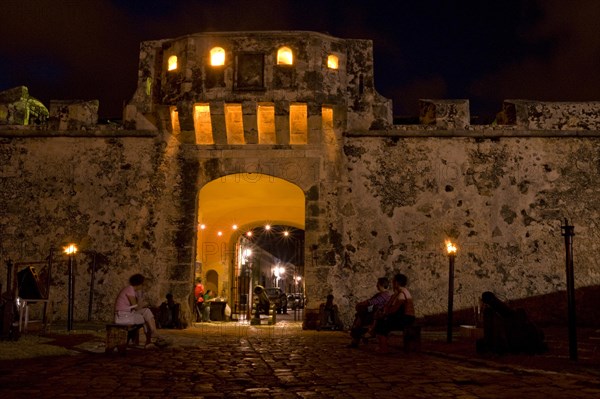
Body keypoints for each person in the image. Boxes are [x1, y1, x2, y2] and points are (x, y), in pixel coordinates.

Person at [114, 273, 166, 347]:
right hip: (122, 317)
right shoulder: (130, 290)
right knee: (147, 316)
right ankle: (151, 338)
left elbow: (135, 307)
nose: (142, 287)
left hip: (126, 314)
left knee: (147, 314)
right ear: (139, 284)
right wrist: (144, 303)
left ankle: (152, 335)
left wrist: (143, 303)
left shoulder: (131, 290)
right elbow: (136, 307)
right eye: (142, 285)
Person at [373, 273, 415, 353]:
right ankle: (381, 345)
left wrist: (384, 314)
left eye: (393, 281)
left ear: (396, 283)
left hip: (406, 319)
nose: (392, 283)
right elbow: (389, 306)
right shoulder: (398, 293)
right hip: (404, 317)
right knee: (381, 321)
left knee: (382, 323)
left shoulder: (402, 294)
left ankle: (383, 348)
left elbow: (394, 309)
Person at [348, 277, 391, 348]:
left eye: (378, 284)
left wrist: (360, 304)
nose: (376, 285)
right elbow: (370, 301)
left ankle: (357, 338)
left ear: (381, 284)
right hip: (374, 313)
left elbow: (372, 302)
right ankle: (357, 337)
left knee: (360, 317)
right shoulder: (380, 294)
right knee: (360, 315)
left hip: (378, 315)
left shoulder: (384, 295)